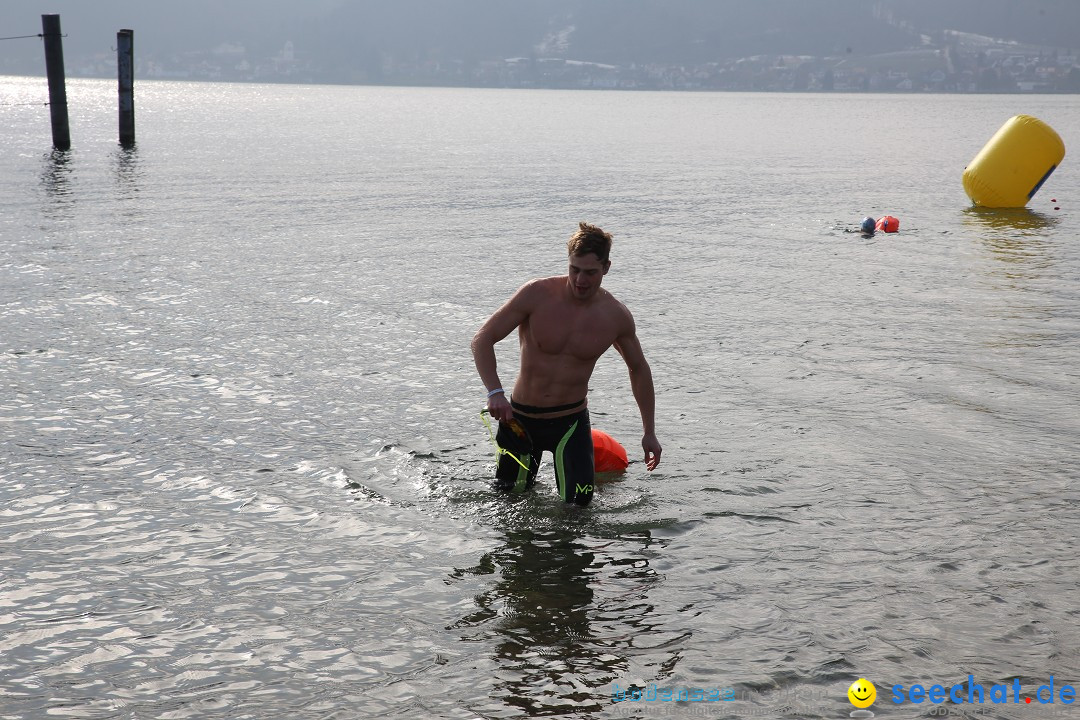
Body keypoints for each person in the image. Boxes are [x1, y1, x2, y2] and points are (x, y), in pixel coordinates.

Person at [471, 222, 662, 506]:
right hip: (520, 420)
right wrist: (494, 392)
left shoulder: (615, 316)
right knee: (507, 504)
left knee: (579, 510)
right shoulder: (536, 294)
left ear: (606, 267)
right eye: (574, 270)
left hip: (570, 423)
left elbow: (639, 368)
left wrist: (649, 431)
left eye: (590, 272)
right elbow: (483, 339)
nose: (580, 280)